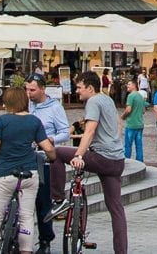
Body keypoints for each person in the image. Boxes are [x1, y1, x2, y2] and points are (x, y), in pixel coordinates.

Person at [48, 71, 128, 254]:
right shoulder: (106, 99)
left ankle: (58, 198)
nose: (77, 91)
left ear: (90, 88)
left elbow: (90, 131)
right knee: (116, 209)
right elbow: (118, 125)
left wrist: (78, 155)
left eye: (79, 87)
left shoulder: (93, 101)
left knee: (57, 152)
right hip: (117, 160)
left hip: (102, 158)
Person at [0, 86, 56, 254]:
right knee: (27, 216)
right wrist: (53, 156)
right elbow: (47, 147)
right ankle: (26, 251)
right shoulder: (34, 121)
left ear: (7, 103)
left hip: (5, 174)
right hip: (29, 174)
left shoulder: (3, 121)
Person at [26, 73, 71, 254]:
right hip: (25, 156)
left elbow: (65, 133)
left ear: (43, 89)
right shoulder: (27, 104)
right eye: (27, 90)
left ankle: (45, 241)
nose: (29, 93)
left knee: (43, 201)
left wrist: (49, 139)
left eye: (33, 90)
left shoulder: (55, 107)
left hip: (43, 156)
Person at [121, 79, 147, 163]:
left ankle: (126, 162)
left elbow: (128, 110)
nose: (127, 86)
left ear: (134, 86)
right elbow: (143, 111)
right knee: (139, 145)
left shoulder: (131, 96)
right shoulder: (140, 96)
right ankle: (140, 162)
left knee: (128, 145)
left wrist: (123, 116)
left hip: (131, 124)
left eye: (129, 84)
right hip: (140, 124)